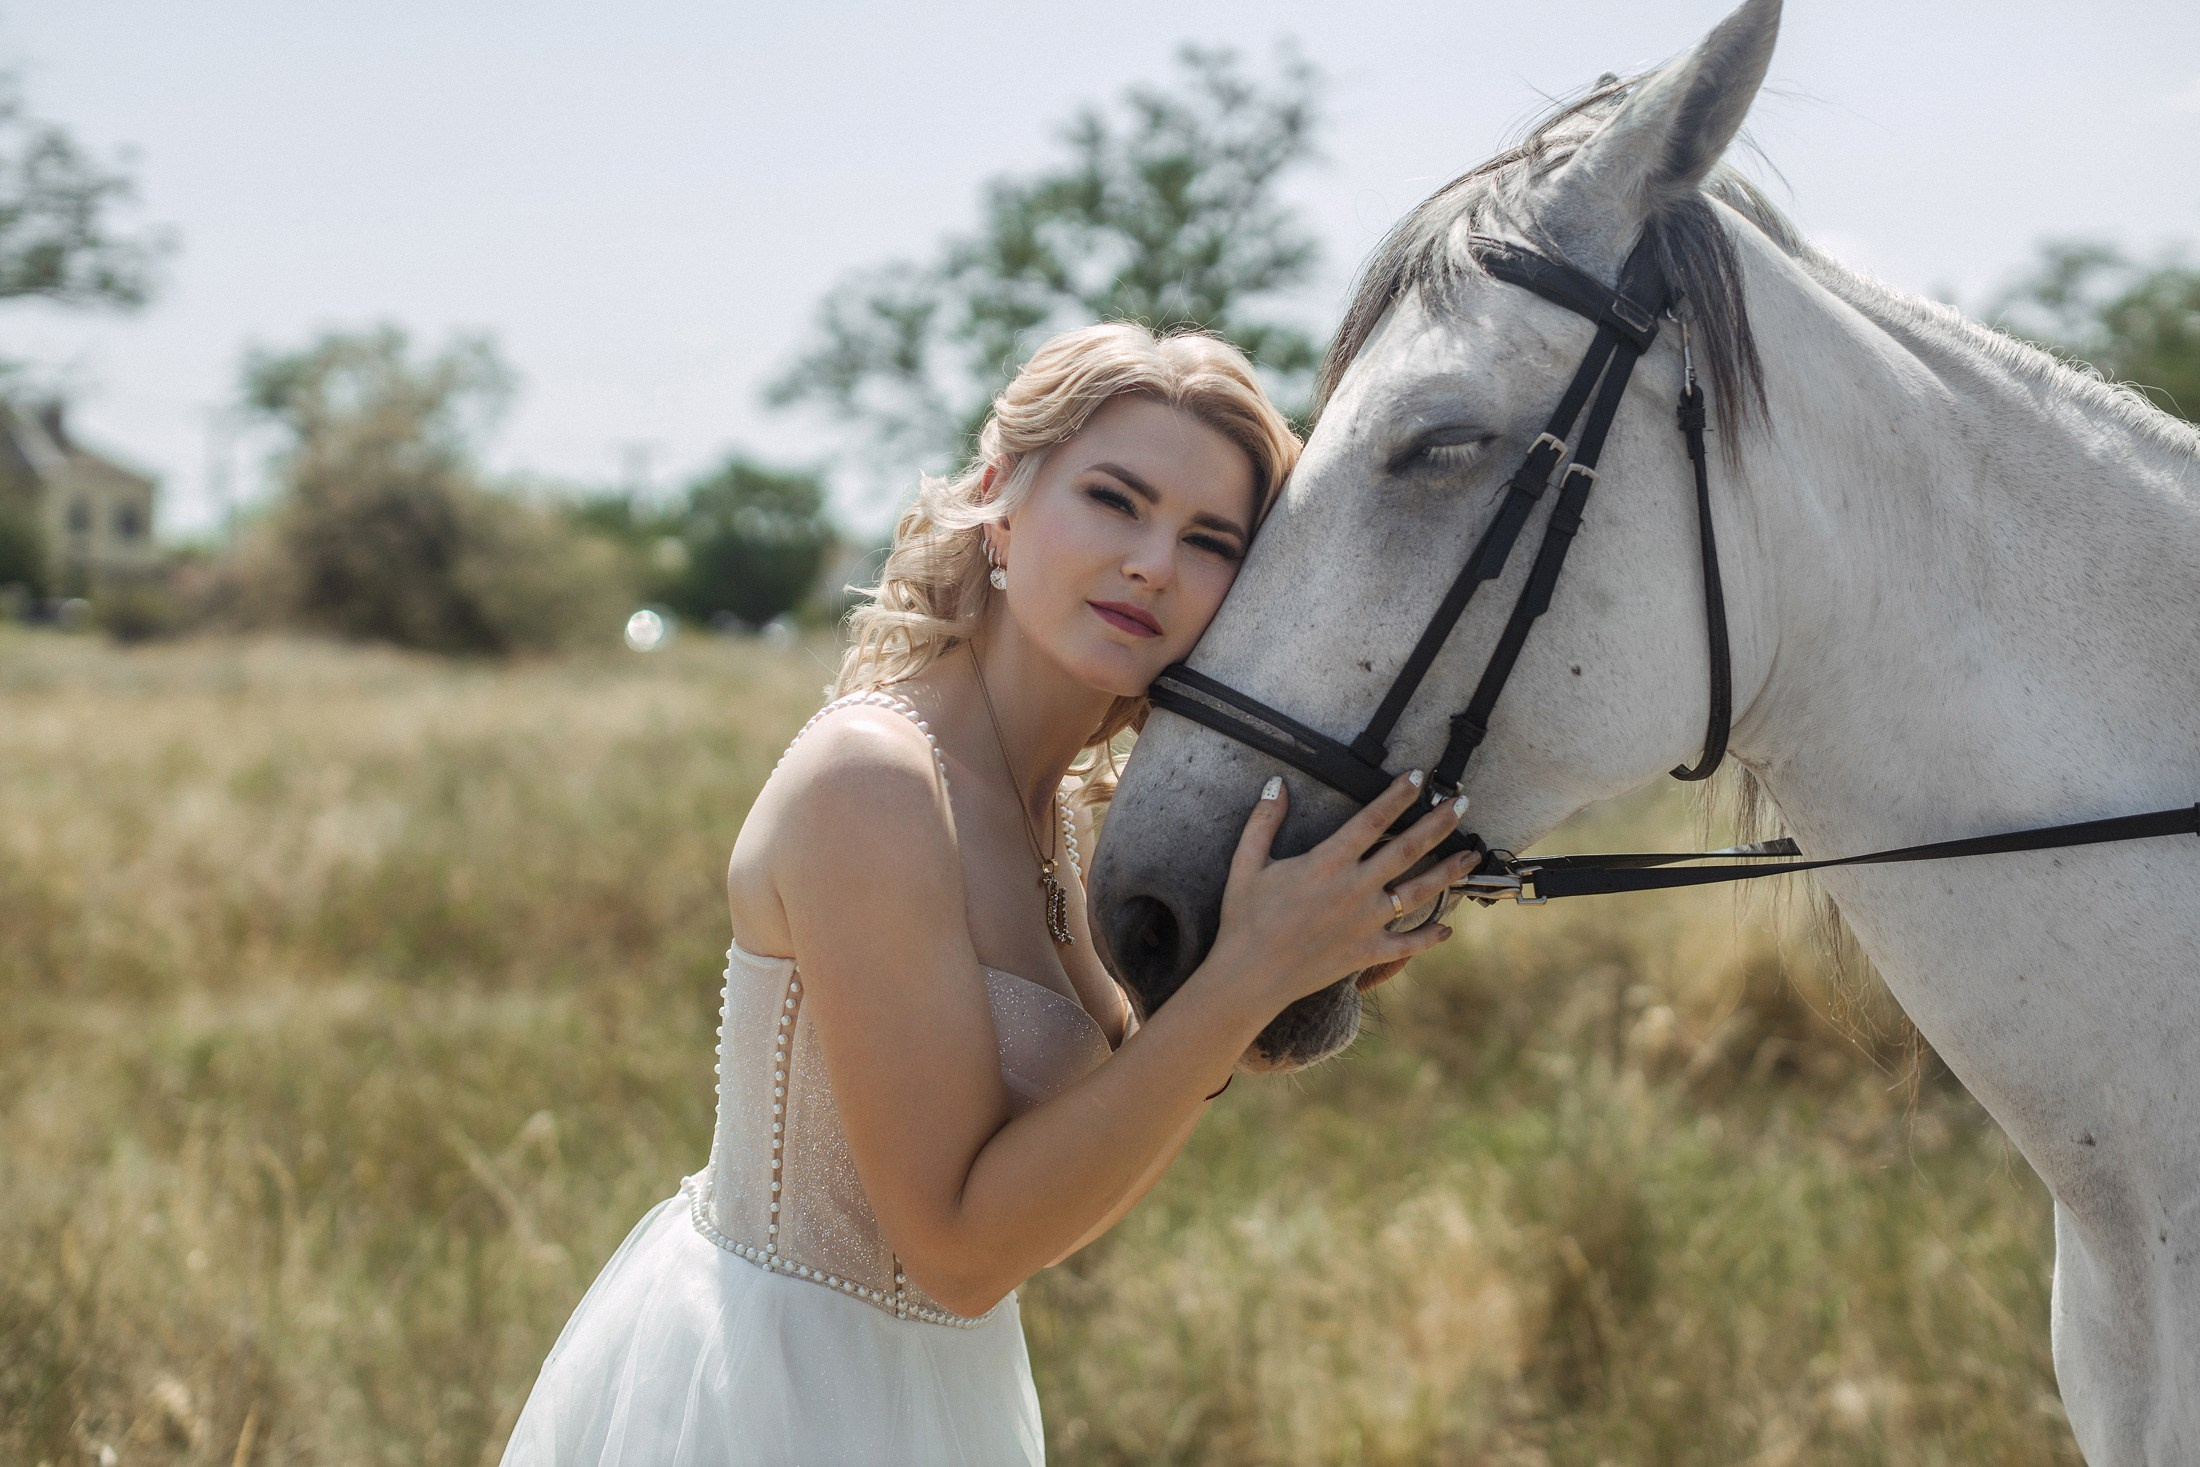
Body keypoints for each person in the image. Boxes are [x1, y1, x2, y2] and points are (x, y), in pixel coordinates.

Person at [498, 323, 1475, 1466]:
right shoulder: (874, 779)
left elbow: (1074, 1174)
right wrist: (1244, 976)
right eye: (1115, 500)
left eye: (1210, 541)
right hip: (774, 1396)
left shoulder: (1053, 817)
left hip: (944, 1400)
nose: (1153, 562)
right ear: (999, 499)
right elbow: (955, 1251)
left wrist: (1287, 971)